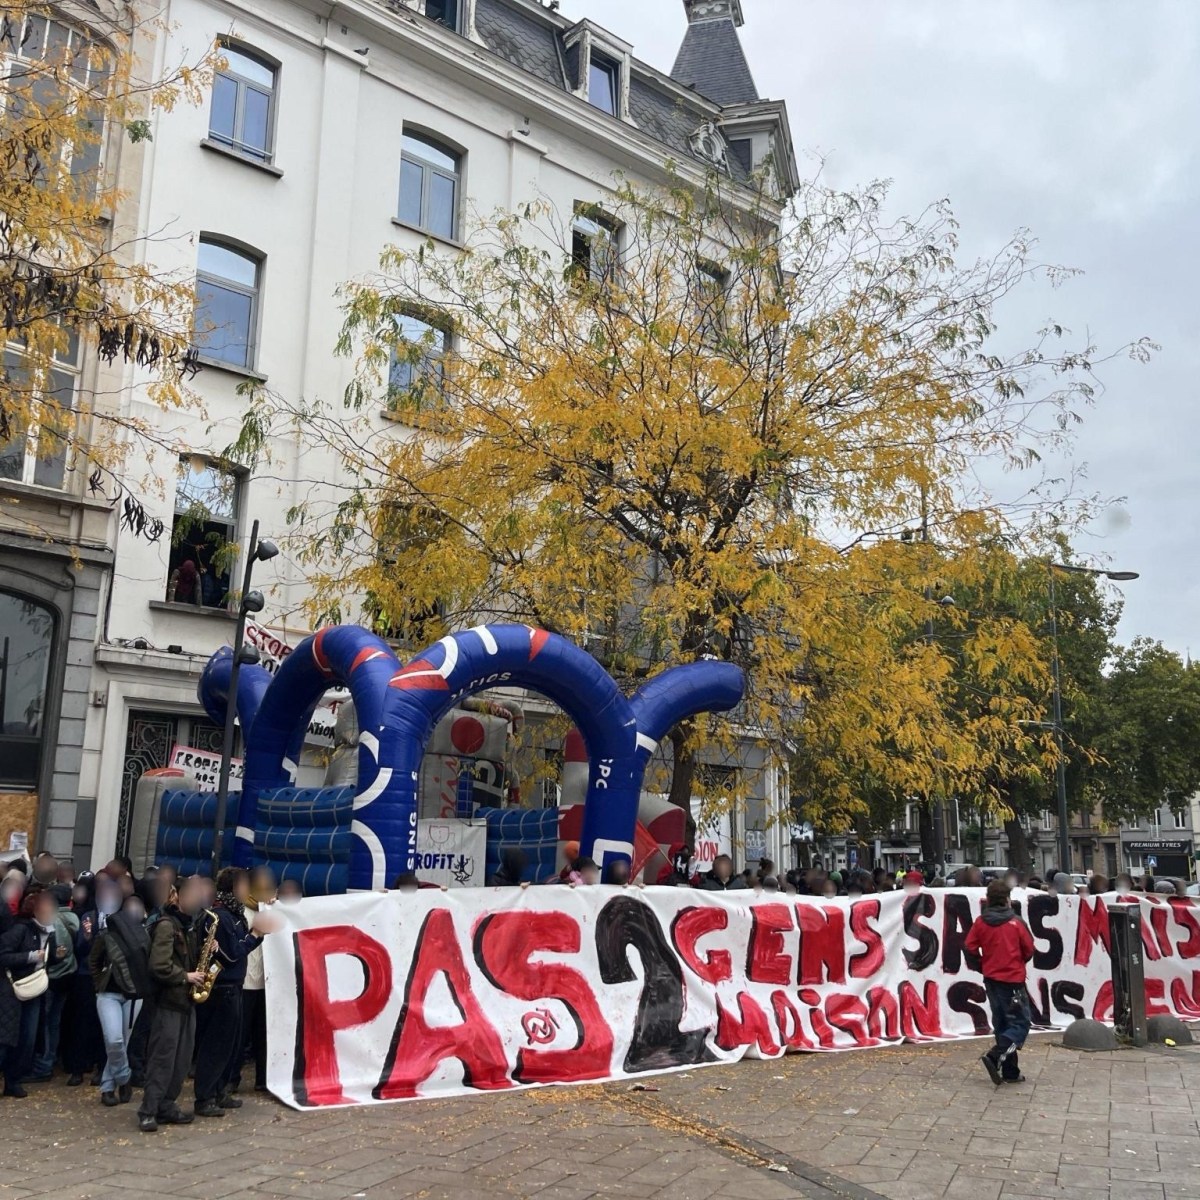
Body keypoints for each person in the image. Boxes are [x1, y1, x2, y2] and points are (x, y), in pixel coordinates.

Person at [192, 868, 275, 1118]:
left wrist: (256, 935)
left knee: (228, 1046)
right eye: (242, 886)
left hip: (235, 988)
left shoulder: (236, 916)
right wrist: (255, 935)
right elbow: (230, 955)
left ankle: (219, 1091)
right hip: (221, 989)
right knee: (215, 1046)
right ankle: (204, 1097)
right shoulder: (219, 917)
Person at [138, 877, 207, 1132]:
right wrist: (185, 976)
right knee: (163, 1058)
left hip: (186, 1002)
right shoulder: (167, 925)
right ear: (178, 896)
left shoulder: (189, 925)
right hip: (168, 1002)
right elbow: (159, 965)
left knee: (181, 1060)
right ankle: (148, 1109)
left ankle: (167, 1105)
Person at [966, 879, 1034, 1085]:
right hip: (1012, 980)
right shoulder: (1016, 923)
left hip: (992, 979)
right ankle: (996, 1055)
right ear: (1007, 900)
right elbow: (1029, 949)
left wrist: (982, 965)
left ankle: (1010, 1070)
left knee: (1002, 1023)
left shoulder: (980, 922)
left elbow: (969, 947)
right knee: (1020, 1025)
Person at [89, 891, 152, 1107]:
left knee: (122, 1042)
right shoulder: (107, 936)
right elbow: (94, 961)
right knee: (114, 1040)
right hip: (109, 994)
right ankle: (124, 1078)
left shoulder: (146, 935)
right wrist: (99, 984)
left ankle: (107, 1086)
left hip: (134, 995)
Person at [0, 889, 53, 1097]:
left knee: (27, 1039)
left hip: (35, 989)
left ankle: (13, 1080)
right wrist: (30, 957)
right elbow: (3, 955)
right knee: (7, 1039)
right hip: (12, 990)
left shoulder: (49, 931)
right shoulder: (20, 930)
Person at [29, 886, 79, 1081]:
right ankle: (49, 1060)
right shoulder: (74, 919)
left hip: (51, 978)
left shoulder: (53, 922)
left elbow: (51, 954)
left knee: (45, 1024)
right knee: (54, 1022)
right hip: (68, 975)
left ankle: (43, 1066)